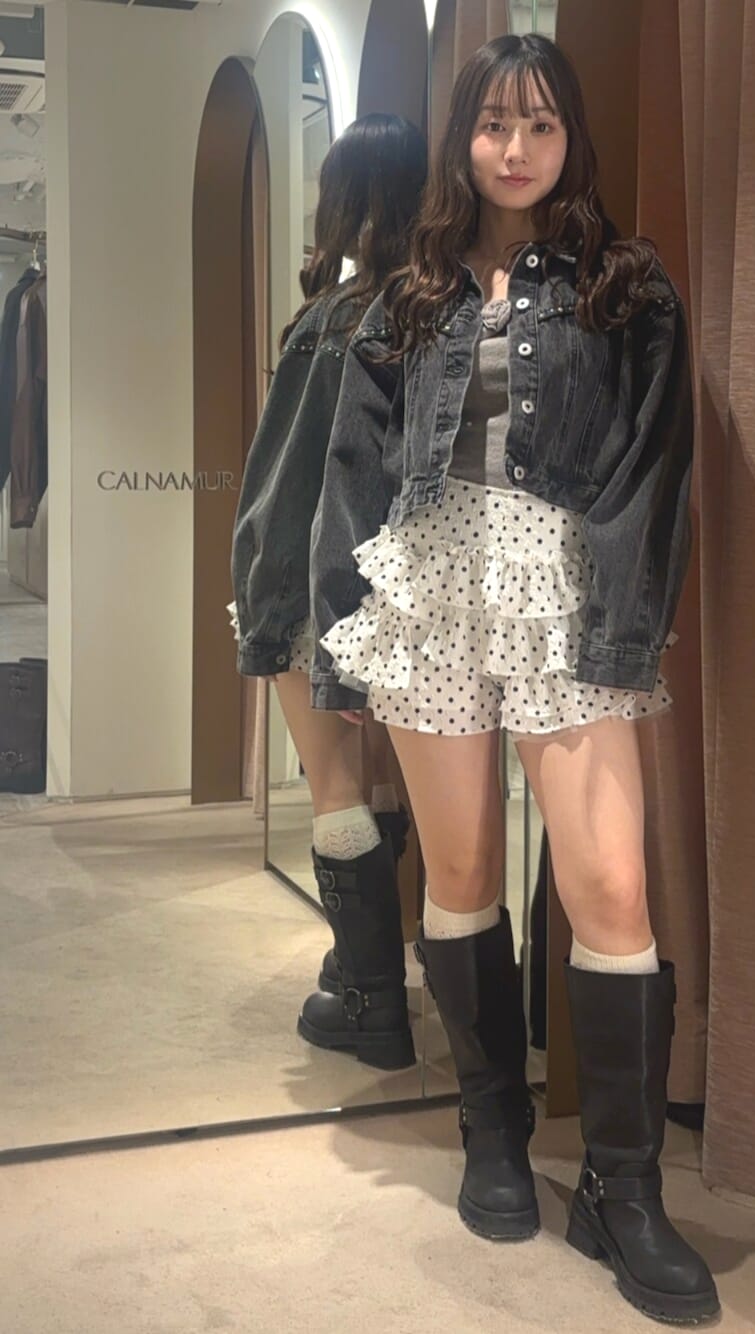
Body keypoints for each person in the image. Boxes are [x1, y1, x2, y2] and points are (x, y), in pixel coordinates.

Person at [310, 34, 720, 1327]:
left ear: (569, 138)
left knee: (612, 887)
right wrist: (342, 631)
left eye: (540, 125)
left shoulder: (623, 283)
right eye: (494, 124)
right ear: (463, 140)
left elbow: (654, 467)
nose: (516, 148)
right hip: (430, 581)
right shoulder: (408, 295)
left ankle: (622, 1186)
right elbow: (352, 469)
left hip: (567, 583)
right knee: (463, 871)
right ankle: (491, 1131)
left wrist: (622, 626)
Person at [229, 113, 428, 1071]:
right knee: (397, 783)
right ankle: (370, 968)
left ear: (346, 200)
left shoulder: (333, 320)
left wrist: (262, 588)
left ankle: (369, 1001)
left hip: (322, 579)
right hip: (417, 591)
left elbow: (288, 477)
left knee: (335, 785)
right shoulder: (441, 308)